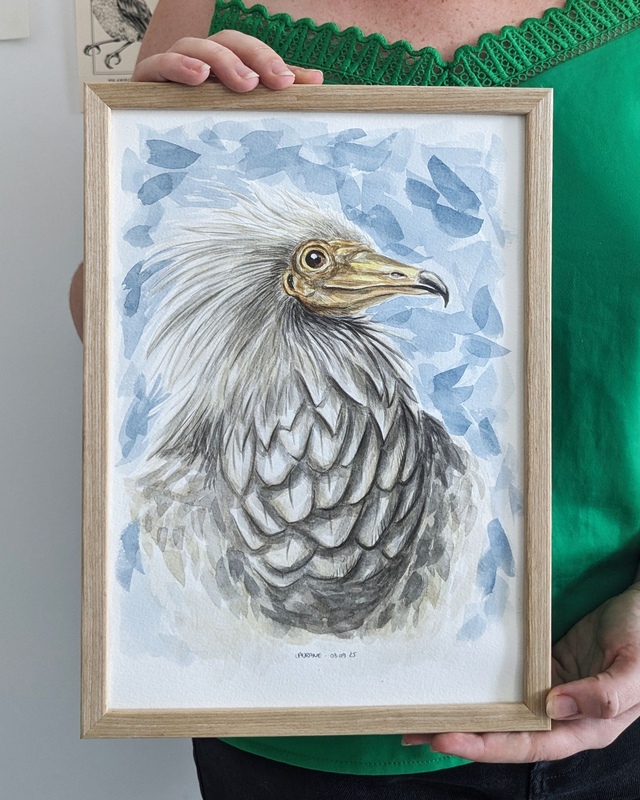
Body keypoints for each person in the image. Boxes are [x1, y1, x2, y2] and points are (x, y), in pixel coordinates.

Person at [69, 1, 640, 796]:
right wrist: (148, 186)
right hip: (280, 733)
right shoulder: (202, 6)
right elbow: (116, 334)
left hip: (601, 692)